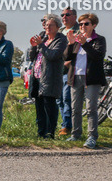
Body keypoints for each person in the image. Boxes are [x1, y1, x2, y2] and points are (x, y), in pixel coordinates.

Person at [64, 13, 106, 148]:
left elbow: (98, 56)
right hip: (75, 77)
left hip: (91, 79)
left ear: (93, 25)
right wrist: (71, 43)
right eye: (81, 24)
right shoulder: (76, 40)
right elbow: (66, 57)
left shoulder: (99, 40)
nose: (82, 26)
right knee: (75, 108)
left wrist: (84, 44)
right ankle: (75, 134)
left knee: (90, 109)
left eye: (86, 24)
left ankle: (92, 137)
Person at [28, 14, 67, 138]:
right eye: (46, 25)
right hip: (37, 77)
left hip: (50, 78)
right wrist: (34, 46)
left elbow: (52, 55)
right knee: (39, 106)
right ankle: (41, 132)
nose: (47, 27)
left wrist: (41, 45)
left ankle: (50, 132)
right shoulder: (43, 38)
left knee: (49, 106)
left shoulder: (61, 40)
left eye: (51, 25)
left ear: (57, 27)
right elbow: (32, 57)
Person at [57, 8, 80, 137]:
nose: (64, 17)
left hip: (70, 69)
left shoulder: (79, 30)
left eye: (67, 14)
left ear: (75, 16)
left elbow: (79, 49)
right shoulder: (60, 31)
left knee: (67, 98)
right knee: (59, 99)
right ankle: (64, 123)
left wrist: (70, 61)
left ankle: (67, 126)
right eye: (62, 15)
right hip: (57, 70)